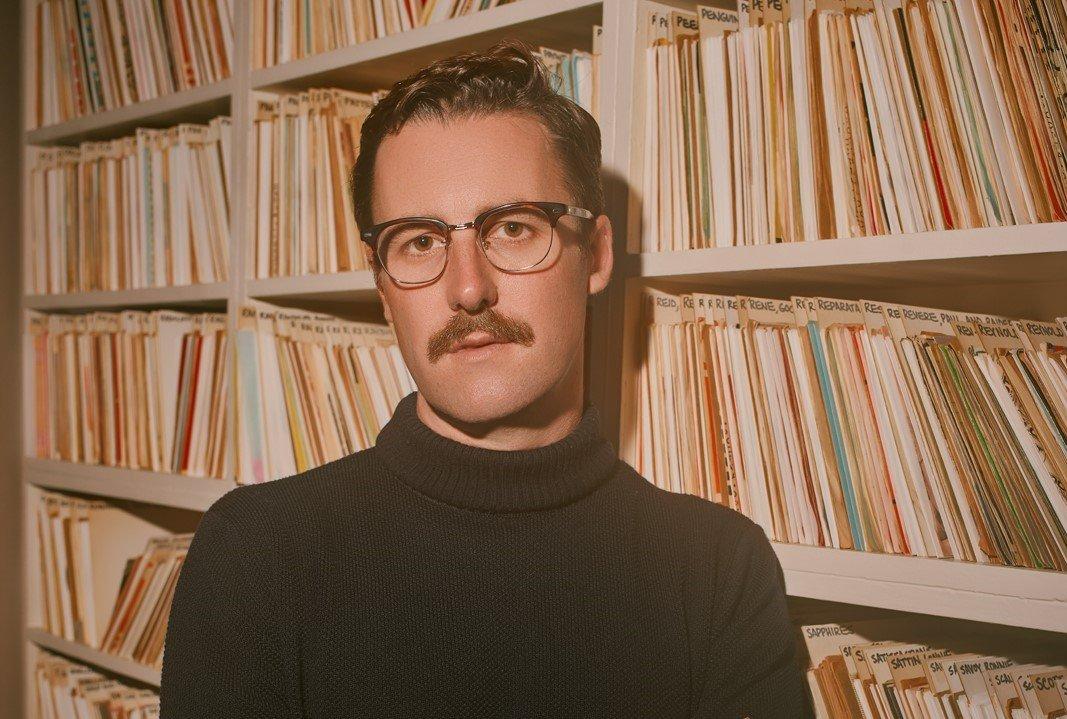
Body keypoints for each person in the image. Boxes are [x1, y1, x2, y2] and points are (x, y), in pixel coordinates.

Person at [160, 40, 812, 718]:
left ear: (593, 254)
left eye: (512, 227)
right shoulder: (256, 552)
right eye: (418, 240)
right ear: (384, 288)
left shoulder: (715, 567)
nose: (468, 289)